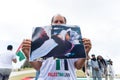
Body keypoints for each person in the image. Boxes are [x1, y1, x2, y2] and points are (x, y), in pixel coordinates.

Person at [22, 14, 92, 80]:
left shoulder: (73, 43)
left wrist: (86, 51)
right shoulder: (47, 41)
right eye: (56, 21)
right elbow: (38, 67)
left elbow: (78, 66)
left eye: (61, 21)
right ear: (51, 24)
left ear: (65, 24)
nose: (58, 23)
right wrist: (27, 54)